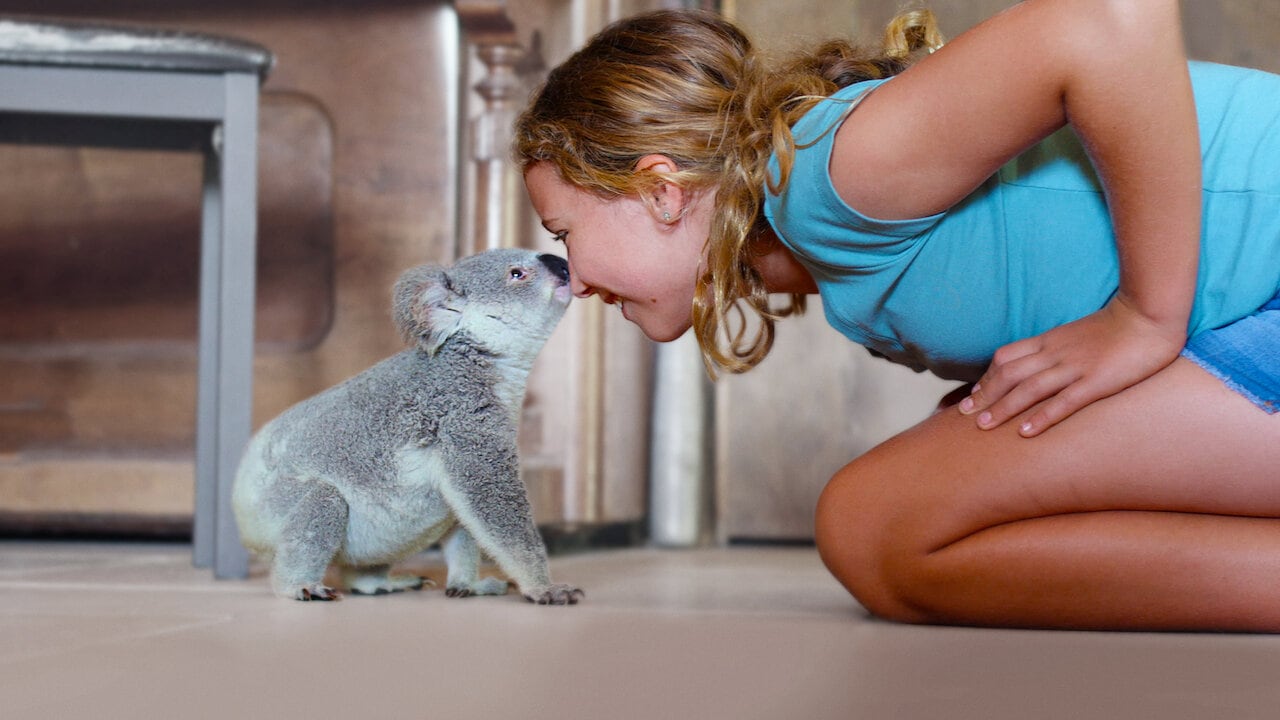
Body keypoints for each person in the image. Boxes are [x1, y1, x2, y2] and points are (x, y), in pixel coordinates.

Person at [515, 0, 1280, 632]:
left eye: (565, 236)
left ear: (661, 190)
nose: (573, 282)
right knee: (884, 529)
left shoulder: (825, 174)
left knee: (873, 524)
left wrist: (1145, 316)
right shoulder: (819, 247)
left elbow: (1114, 18)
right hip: (1253, 316)